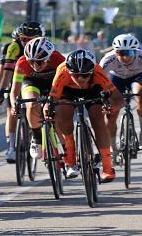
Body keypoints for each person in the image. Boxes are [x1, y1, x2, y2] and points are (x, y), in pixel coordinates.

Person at [48, 49, 122, 182]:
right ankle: (70, 157)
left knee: (98, 120)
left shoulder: (98, 71)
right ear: (69, 71)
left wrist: (111, 107)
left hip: (92, 91)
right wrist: (48, 111)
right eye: (75, 75)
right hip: (67, 91)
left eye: (85, 75)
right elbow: (52, 100)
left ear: (92, 71)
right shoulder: (62, 70)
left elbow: (118, 98)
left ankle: (107, 166)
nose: (80, 79)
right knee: (63, 114)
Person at [100, 33, 142, 156]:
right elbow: (98, 82)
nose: (125, 57)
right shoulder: (107, 59)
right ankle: (113, 147)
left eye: (129, 53)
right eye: (121, 53)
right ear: (115, 52)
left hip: (138, 76)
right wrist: (104, 100)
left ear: (135, 51)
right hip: (116, 78)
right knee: (111, 112)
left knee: (141, 95)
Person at [0, 21, 44, 163]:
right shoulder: (13, 47)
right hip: (17, 79)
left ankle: (40, 135)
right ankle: (11, 147)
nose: (26, 42)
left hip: (35, 81)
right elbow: (5, 71)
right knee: (11, 111)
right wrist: (1, 89)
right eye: (23, 39)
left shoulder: (43, 46)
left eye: (30, 39)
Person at [9, 37, 65, 159]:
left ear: (48, 57)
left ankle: (68, 150)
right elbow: (14, 90)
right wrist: (14, 105)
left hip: (53, 83)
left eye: (39, 61)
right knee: (32, 104)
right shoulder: (22, 63)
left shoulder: (58, 59)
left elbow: (65, 84)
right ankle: (37, 138)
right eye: (31, 61)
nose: (34, 65)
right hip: (31, 83)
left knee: (57, 114)